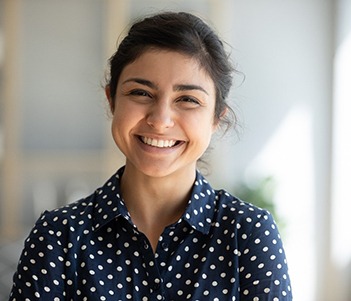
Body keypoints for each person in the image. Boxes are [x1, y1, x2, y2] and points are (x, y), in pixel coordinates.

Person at [9, 11, 292, 300]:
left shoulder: (248, 234)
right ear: (112, 99)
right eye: (141, 93)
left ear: (217, 118)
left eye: (188, 100)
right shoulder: (59, 236)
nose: (160, 120)